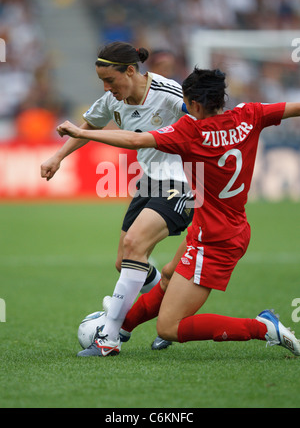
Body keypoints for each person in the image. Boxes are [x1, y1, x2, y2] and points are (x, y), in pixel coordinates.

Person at [57, 67, 300, 358]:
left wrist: (81, 132)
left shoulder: (192, 131)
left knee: (169, 328)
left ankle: (262, 328)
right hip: (222, 224)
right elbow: (293, 108)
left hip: (215, 240)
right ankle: (120, 328)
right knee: (169, 275)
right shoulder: (250, 114)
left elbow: (136, 141)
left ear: (195, 104)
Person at [41, 41, 194, 352]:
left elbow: (207, 116)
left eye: (110, 80)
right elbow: (88, 125)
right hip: (149, 182)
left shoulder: (168, 93)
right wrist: (58, 157)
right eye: (102, 82)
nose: (107, 87)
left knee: (134, 244)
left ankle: (109, 336)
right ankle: (167, 312)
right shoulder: (113, 100)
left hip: (185, 181)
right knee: (125, 260)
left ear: (130, 70)